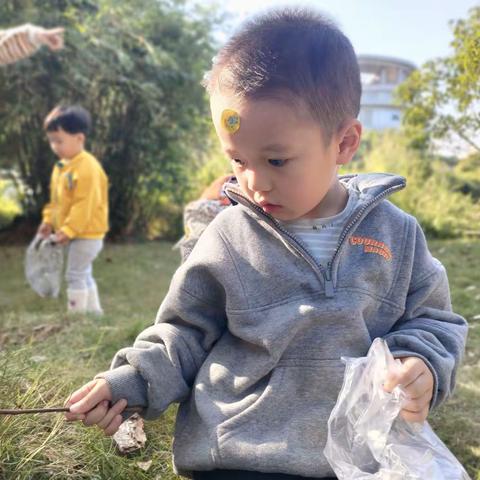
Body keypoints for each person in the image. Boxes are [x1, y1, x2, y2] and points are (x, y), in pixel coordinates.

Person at [64, 7, 468, 480]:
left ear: (344, 143)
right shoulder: (229, 238)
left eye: (276, 160)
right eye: (237, 159)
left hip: (362, 458)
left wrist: (420, 363)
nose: (254, 182)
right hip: (240, 455)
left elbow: (433, 320)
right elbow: (184, 333)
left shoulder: (396, 235)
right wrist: (132, 380)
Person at [37, 105, 109, 314]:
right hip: (77, 232)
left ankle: (76, 317)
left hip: (88, 233)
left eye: (59, 140)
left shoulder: (87, 168)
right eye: (51, 140)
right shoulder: (61, 167)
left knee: (74, 275)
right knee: (83, 273)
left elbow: (84, 206)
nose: (54, 146)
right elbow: (56, 201)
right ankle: (95, 313)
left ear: (79, 138)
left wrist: (68, 230)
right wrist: (48, 221)